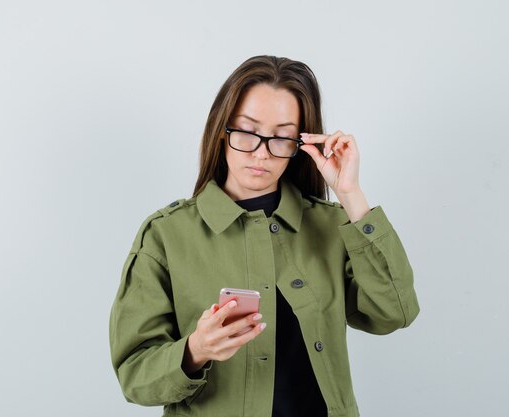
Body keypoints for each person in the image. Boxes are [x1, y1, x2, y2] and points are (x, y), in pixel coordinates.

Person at [109, 55, 420, 417]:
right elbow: (133, 376)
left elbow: (394, 313)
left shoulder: (333, 227)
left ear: (301, 144)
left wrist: (351, 194)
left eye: (282, 137)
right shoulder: (166, 235)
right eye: (246, 131)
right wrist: (196, 349)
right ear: (221, 131)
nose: (261, 152)